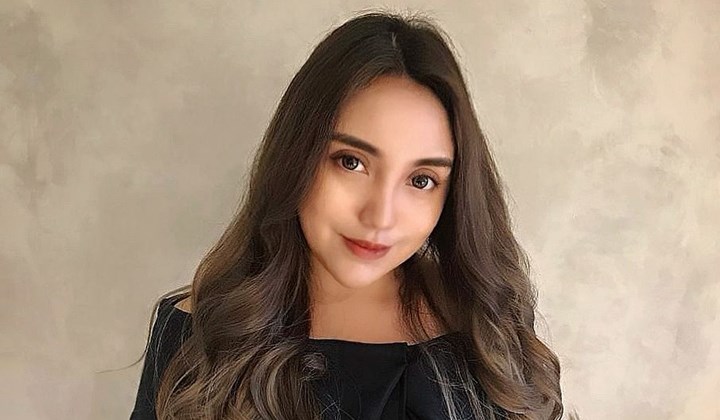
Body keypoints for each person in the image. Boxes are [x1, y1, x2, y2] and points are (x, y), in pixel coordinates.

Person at [129, 10, 567, 420]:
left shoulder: (488, 326)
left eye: (421, 180)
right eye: (351, 162)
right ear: (296, 157)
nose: (380, 217)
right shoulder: (202, 331)